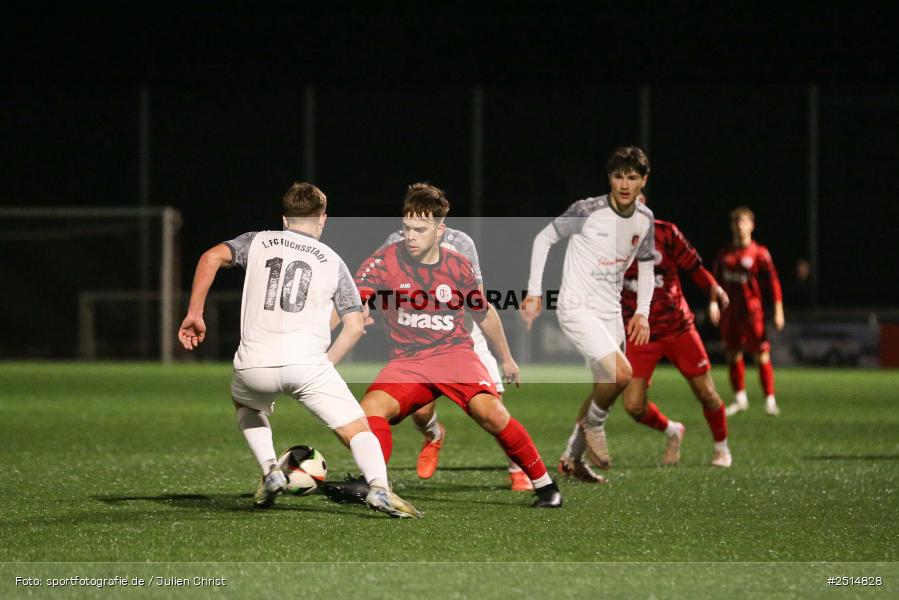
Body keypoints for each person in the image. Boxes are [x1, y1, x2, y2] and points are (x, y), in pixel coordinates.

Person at [177, 182, 420, 518]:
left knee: (246, 405)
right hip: (308, 367)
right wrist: (325, 366)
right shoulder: (333, 261)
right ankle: (379, 488)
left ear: (284, 218)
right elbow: (354, 326)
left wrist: (194, 312)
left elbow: (211, 257)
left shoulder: (257, 240)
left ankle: (270, 470)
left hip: (254, 365)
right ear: (323, 219)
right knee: (357, 430)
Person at [338, 182, 562, 508]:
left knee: (492, 414)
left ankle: (546, 486)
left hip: (453, 354)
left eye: (420, 229)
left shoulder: (458, 265)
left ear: (440, 230)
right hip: (408, 361)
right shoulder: (384, 260)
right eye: (406, 228)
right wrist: (359, 308)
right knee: (370, 411)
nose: (410, 236)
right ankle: (373, 483)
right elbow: (356, 297)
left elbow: (483, 314)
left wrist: (507, 358)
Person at [522, 146, 655, 481]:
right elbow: (544, 238)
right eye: (618, 176)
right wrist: (535, 292)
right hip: (576, 306)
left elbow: (648, 265)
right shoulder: (587, 209)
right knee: (622, 375)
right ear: (610, 178)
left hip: (611, 312)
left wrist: (642, 312)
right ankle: (593, 426)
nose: (624, 184)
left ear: (643, 181)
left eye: (632, 177)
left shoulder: (645, 218)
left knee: (605, 388)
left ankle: (571, 459)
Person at [376, 227, 533, 491]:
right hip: (420, 341)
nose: (414, 231)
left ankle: (519, 470)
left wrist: (506, 358)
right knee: (419, 410)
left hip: (465, 336)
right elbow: (375, 282)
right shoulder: (395, 241)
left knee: (493, 407)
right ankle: (433, 434)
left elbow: (478, 298)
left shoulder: (460, 243)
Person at [619, 210, 733, 468]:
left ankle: (721, 447)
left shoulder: (666, 232)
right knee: (633, 405)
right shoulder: (607, 236)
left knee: (706, 392)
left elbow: (694, 267)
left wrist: (713, 288)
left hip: (677, 327)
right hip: (639, 331)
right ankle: (672, 430)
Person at [713, 206, 785, 416]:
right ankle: (739, 398)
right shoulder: (724, 255)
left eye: (744, 222)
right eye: (737, 222)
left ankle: (770, 400)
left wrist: (778, 310)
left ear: (752, 226)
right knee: (732, 353)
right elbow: (714, 283)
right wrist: (714, 303)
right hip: (730, 313)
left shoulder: (760, 253)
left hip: (752, 312)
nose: (740, 226)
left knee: (761, 353)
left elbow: (773, 282)